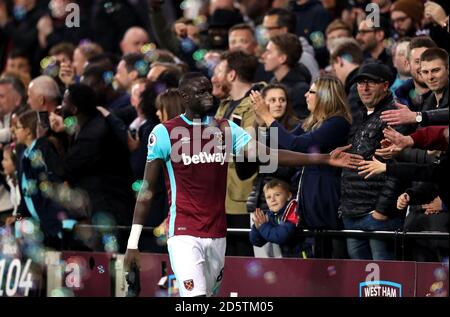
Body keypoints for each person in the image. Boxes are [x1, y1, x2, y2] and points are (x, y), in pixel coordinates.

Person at [123, 73, 363, 297]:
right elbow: (146, 191)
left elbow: (268, 154)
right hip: (183, 233)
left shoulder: (226, 129)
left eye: (210, 91)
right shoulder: (164, 132)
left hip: (217, 233)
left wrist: (323, 158)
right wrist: (132, 244)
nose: (209, 96)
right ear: (184, 97)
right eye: (200, 93)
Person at [249, 179, 299, 257]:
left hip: (305, 258)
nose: (272, 199)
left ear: (289, 196)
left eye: (277, 195)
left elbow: (280, 237)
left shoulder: (293, 211)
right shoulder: (271, 215)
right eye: (268, 197)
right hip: (289, 259)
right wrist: (257, 226)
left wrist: (262, 226)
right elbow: (256, 242)